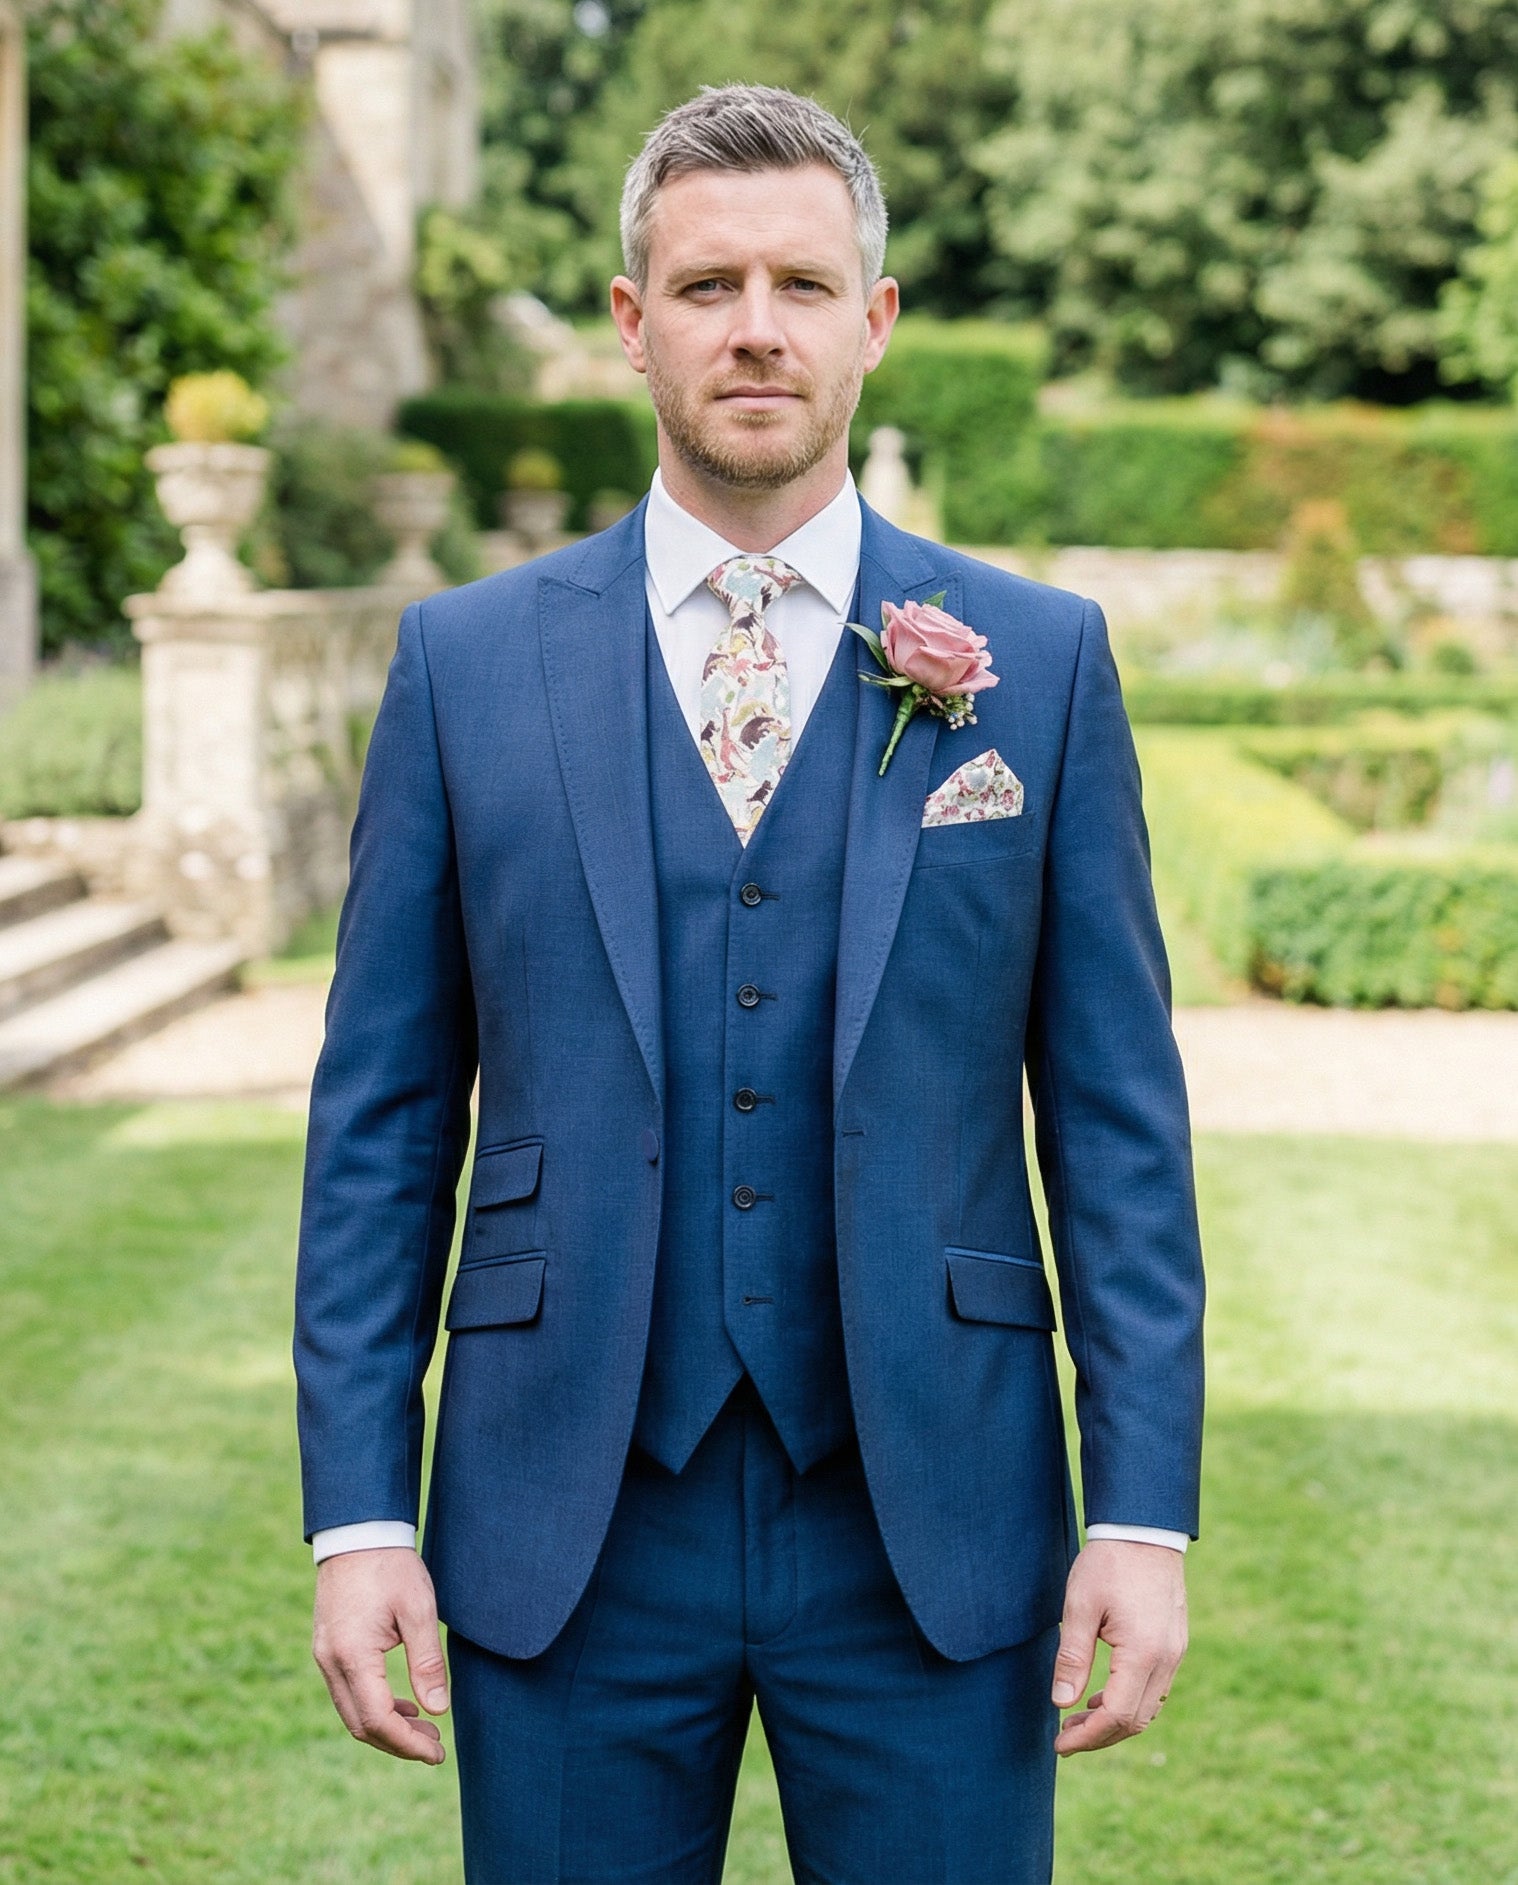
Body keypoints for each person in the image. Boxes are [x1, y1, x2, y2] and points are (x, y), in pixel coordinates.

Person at [294, 82, 1205, 1885]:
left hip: (932, 1516)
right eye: (708, 286)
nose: (758, 327)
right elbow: (383, 1124)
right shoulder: (463, 665)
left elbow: (1113, 1124)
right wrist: (355, 1513)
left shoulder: (1037, 659)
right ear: (633, 324)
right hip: (568, 1513)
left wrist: (1145, 1510)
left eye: (803, 281)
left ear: (874, 320)